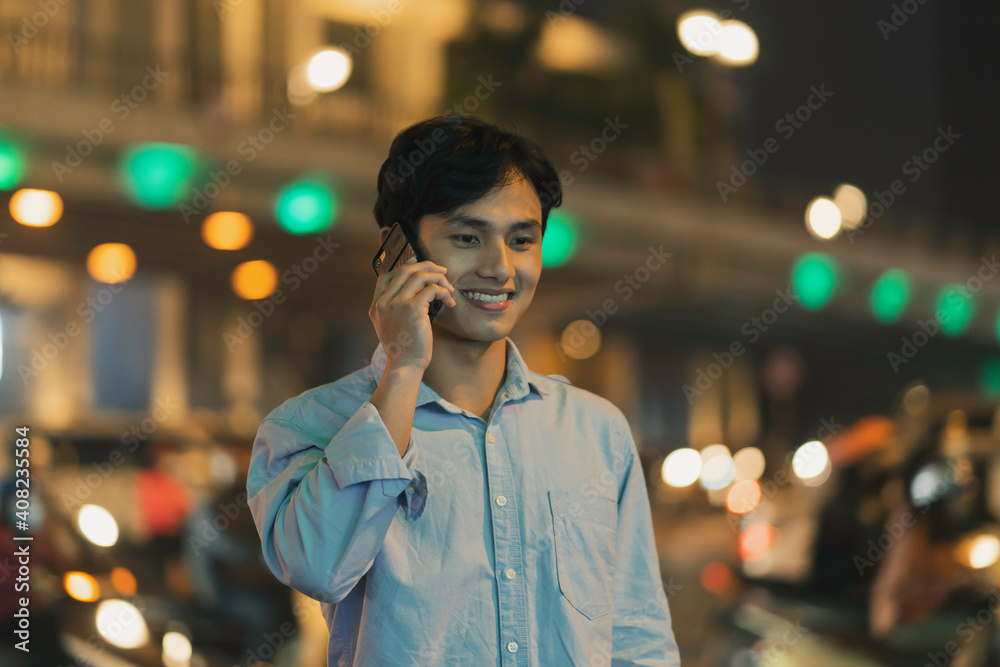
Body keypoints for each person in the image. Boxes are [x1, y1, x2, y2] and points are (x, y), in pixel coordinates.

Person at [247, 115, 681, 666]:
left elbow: (637, 637)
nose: (500, 268)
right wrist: (404, 369)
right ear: (396, 250)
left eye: (522, 240)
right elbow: (317, 567)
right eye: (467, 237)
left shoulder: (596, 431)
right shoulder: (309, 426)